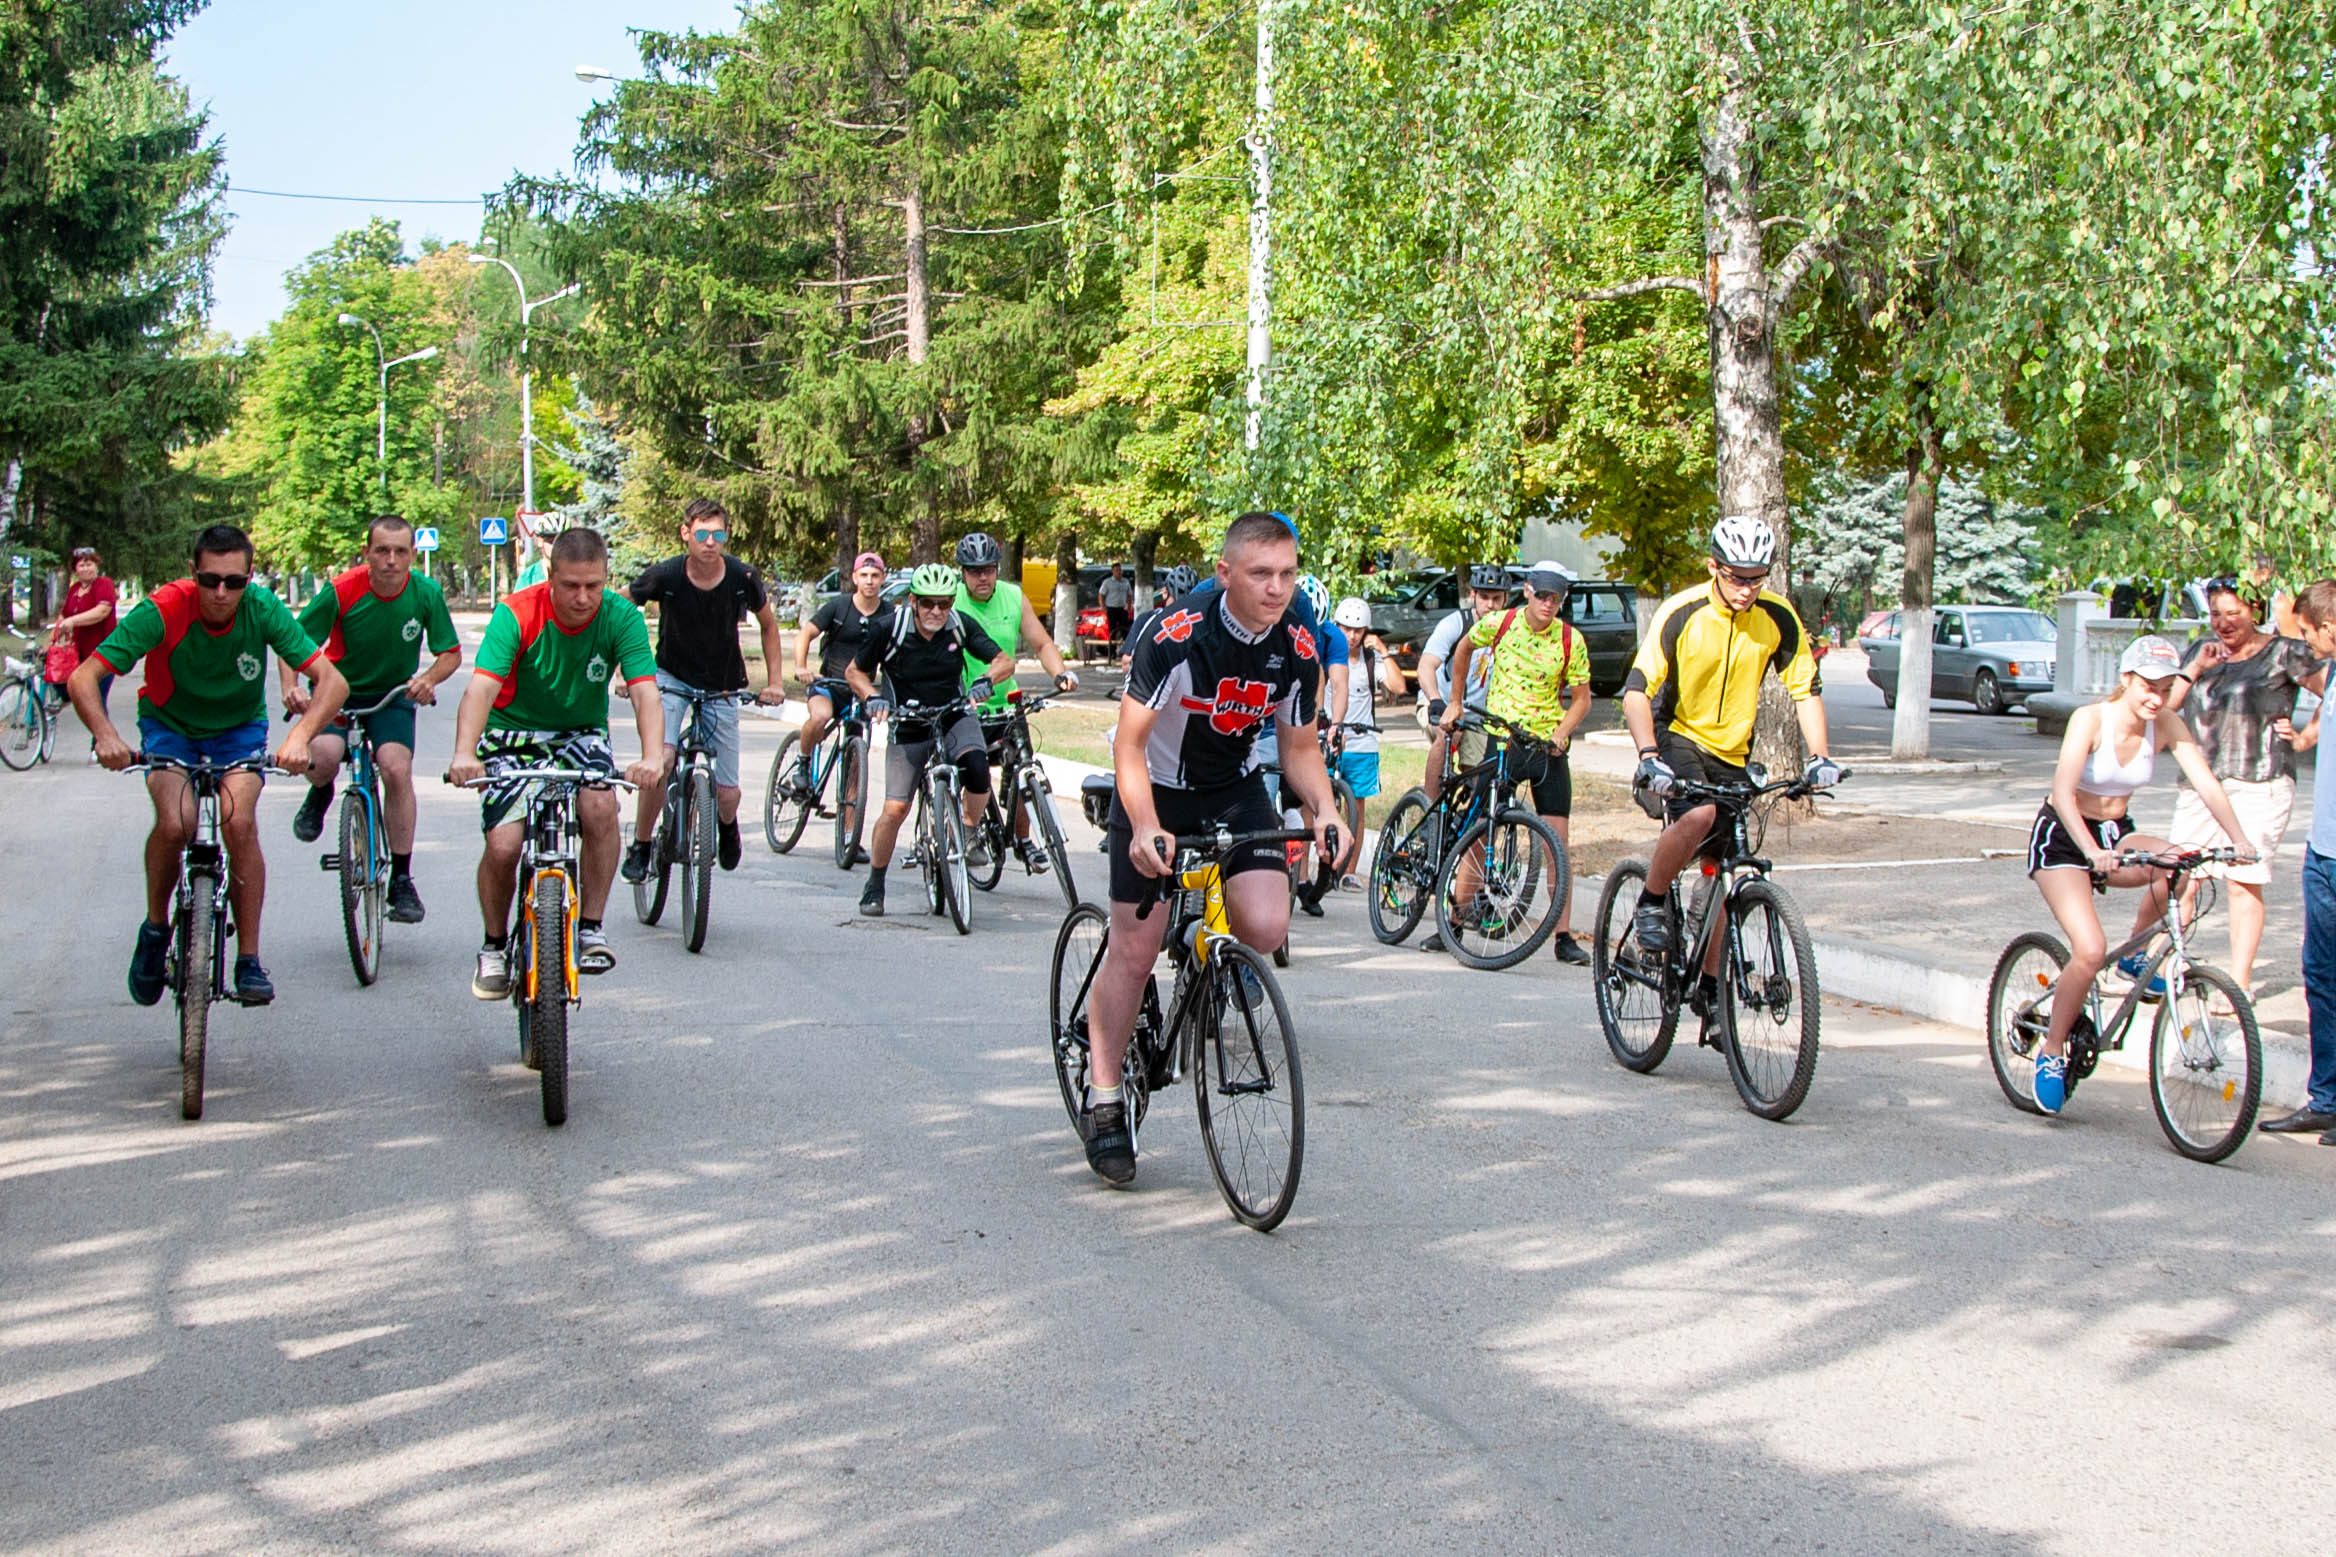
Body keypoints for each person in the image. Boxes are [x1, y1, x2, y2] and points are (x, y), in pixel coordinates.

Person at [1079, 511, 1338, 1187]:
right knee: (1134, 949)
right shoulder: (1175, 635)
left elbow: (1300, 749)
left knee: (1267, 925)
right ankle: (1104, 1093)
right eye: (1261, 573)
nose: (1277, 588)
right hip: (1156, 789)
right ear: (1225, 573)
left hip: (1232, 787)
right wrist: (1143, 825)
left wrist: (1326, 809)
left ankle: (1201, 946)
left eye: (1288, 574)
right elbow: (1129, 744)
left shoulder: (1299, 644)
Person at [68, 523, 349, 1007]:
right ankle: (155, 929)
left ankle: (249, 959)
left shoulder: (262, 608)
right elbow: (83, 677)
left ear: (249, 577)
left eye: (234, 582)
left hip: (238, 729)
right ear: (192, 573)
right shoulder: (164, 608)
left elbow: (333, 682)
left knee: (239, 822)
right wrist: (106, 735)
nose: (221, 593)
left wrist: (300, 737)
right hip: (170, 725)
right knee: (175, 823)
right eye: (210, 580)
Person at [2021, 635, 2258, 1115]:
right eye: (2148, 686)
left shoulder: (2166, 722)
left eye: (2166, 688)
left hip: (2115, 835)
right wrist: (2090, 851)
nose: (2156, 698)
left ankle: (2132, 958)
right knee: (2090, 950)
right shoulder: (2091, 719)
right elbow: (2063, 793)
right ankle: (2051, 1051)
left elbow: (2207, 782)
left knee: (2179, 865)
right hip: (2064, 837)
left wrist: (2239, 840)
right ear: (2126, 679)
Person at [1624, 516, 1839, 1028]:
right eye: (1737, 577)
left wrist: (1819, 757)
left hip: (1734, 750)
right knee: (1699, 814)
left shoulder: (1776, 616)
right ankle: (1651, 902)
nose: (1747, 589)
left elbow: (1806, 690)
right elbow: (1635, 691)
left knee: (1728, 867)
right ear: (1713, 567)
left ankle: (1711, 987)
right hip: (1676, 733)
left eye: (1756, 578)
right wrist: (1648, 755)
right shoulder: (1683, 612)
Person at [447, 527, 663, 997]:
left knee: (601, 808)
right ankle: (493, 945)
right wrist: (465, 753)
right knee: (504, 845)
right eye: (570, 585)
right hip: (512, 734)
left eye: (593, 585)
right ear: (550, 577)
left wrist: (651, 757)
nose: (583, 598)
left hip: (581, 734)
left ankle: (590, 928)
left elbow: (645, 692)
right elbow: (481, 689)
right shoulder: (516, 613)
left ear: (606, 578)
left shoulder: (621, 618)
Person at [280, 516, 463, 925]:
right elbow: (291, 641)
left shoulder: (425, 593)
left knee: (396, 768)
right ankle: (321, 791)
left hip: (393, 695)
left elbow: (450, 653)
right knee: (323, 758)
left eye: (400, 551)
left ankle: (401, 878)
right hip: (337, 692)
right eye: (382, 550)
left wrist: (428, 680)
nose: (391, 560)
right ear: (366, 553)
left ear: (413, 555)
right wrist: (291, 685)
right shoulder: (341, 590)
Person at [2162, 580, 2325, 998]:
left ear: (2254, 610)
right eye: (2216, 614)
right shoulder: (2201, 651)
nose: (2223, 623)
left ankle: (2239, 984)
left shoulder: (2285, 652)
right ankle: (2167, 968)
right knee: (2183, 877)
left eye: (2233, 614)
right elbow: (2166, 708)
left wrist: (2305, 738)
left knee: (2242, 880)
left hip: (2261, 781)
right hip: (2201, 784)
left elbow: (2332, 689)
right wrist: (2196, 668)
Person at [620, 498, 787, 882]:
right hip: (671, 678)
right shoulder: (667, 575)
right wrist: (625, 668)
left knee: (727, 793)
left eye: (718, 535)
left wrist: (776, 683)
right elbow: (619, 605)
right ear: (686, 534)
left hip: (722, 685)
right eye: (702, 534)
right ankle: (642, 844)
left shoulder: (742, 577)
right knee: (660, 761)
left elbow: (769, 626)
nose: (710, 542)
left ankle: (726, 824)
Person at [1440, 561, 1594, 963]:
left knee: (1558, 841)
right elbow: (1464, 649)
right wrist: (1456, 701)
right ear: (1527, 591)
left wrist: (1562, 731)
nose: (1548, 604)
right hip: (1503, 740)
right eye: (1542, 595)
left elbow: (1582, 699)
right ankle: (1454, 921)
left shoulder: (1570, 639)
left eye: (1556, 598)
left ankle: (1563, 937)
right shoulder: (1502, 623)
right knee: (1481, 832)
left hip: (1546, 747)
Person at [845, 562, 1015, 918]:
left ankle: (968, 831)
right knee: (895, 809)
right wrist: (871, 696)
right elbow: (854, 671)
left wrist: (986, 679)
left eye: (944, 603)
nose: (936, 611)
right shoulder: (889, 629)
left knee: (978, 768)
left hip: (954, 713)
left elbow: (1003, 660)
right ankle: (875, 883)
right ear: (913, 601)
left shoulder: (959, 625)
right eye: (927, 603)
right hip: (908, 721)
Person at [951, 531, 1079, 872]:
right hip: (965, 707)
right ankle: (968, 831)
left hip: (1007, 701)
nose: (982, 577)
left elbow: (1042, 643)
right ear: (962, 572)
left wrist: (1060, 674)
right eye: (974, 571)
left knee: (1024, 766)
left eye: (989, 569)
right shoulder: (951, 602)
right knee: (972, 772)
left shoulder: (1012, 596)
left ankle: (1023, 840)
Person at [2267, 581, 2336, 1138]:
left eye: (2309, 632)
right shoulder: (2332, 674)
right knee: (2321, 977)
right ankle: (2327, 1098)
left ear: (2329, 627)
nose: (2306, 641)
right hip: (2323, 851)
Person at [791, 551, 889, 815]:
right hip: (829, 685)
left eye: (875, 575)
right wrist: (801, 667)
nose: (869, 581)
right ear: (854, 577)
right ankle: (803, 761)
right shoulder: (838, 607)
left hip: (861, 693)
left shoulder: (889, 613)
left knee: (855, 764)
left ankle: (848, 832)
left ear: (883, 578)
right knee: (820, 716)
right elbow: (805, 634)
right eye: (864, 575)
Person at [1418, 566, 1512, 805]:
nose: (1490, 605)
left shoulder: (1510, 631)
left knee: (1483, 774)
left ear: (1506, 599)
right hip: (1440, 702)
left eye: (1496, 598)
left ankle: (1470, 821)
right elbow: (1426, 665)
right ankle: (1431, 810)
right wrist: (1436, 700)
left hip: (1479, 716)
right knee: (1449, 732)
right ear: (1473, 595)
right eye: (1484, 597)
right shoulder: (1456, 624)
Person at [49, 547, 119, 733]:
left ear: (96, 566)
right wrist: (53, 638)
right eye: (82, 565)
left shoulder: (103, 584)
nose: (86, 568)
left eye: (90, 564)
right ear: (75, 569)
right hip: (77, 655)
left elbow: (102, 611)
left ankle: (101, 742)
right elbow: (64, 615)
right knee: (62, 683)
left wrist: (73, 621)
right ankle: (64, 699)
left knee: (96, 701)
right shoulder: (74, 589)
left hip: (102, 654)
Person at [1098, 562, 1134, 651]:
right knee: (1112, 629)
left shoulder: (1125, 582)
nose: (1119, 572)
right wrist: (1103, 607)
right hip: (1111, 608)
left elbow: (1129, 594)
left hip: (1122, 608)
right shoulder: (1107, 582)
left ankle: (1126, 650)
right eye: (1116, 570)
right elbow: (1101, 595)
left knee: (1125, 629)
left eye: (1120, 570)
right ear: (1113, 571)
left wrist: (1129, 606)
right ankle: (1112, 651)